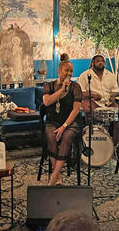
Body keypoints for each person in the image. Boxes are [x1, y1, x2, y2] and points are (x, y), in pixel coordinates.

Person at [42, 58, 82, 186]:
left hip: (70, 122)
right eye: (66, 70)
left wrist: (64, 126)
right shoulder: (50, 86)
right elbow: (47, 102)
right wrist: (62, 90)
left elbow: (76, 110)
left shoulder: (76, 87)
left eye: (71, 71)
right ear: (59, 71)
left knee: (66, 136)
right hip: (53, 121)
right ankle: (58, 175)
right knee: (50, 135)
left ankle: (54, 175)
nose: (69, 73)